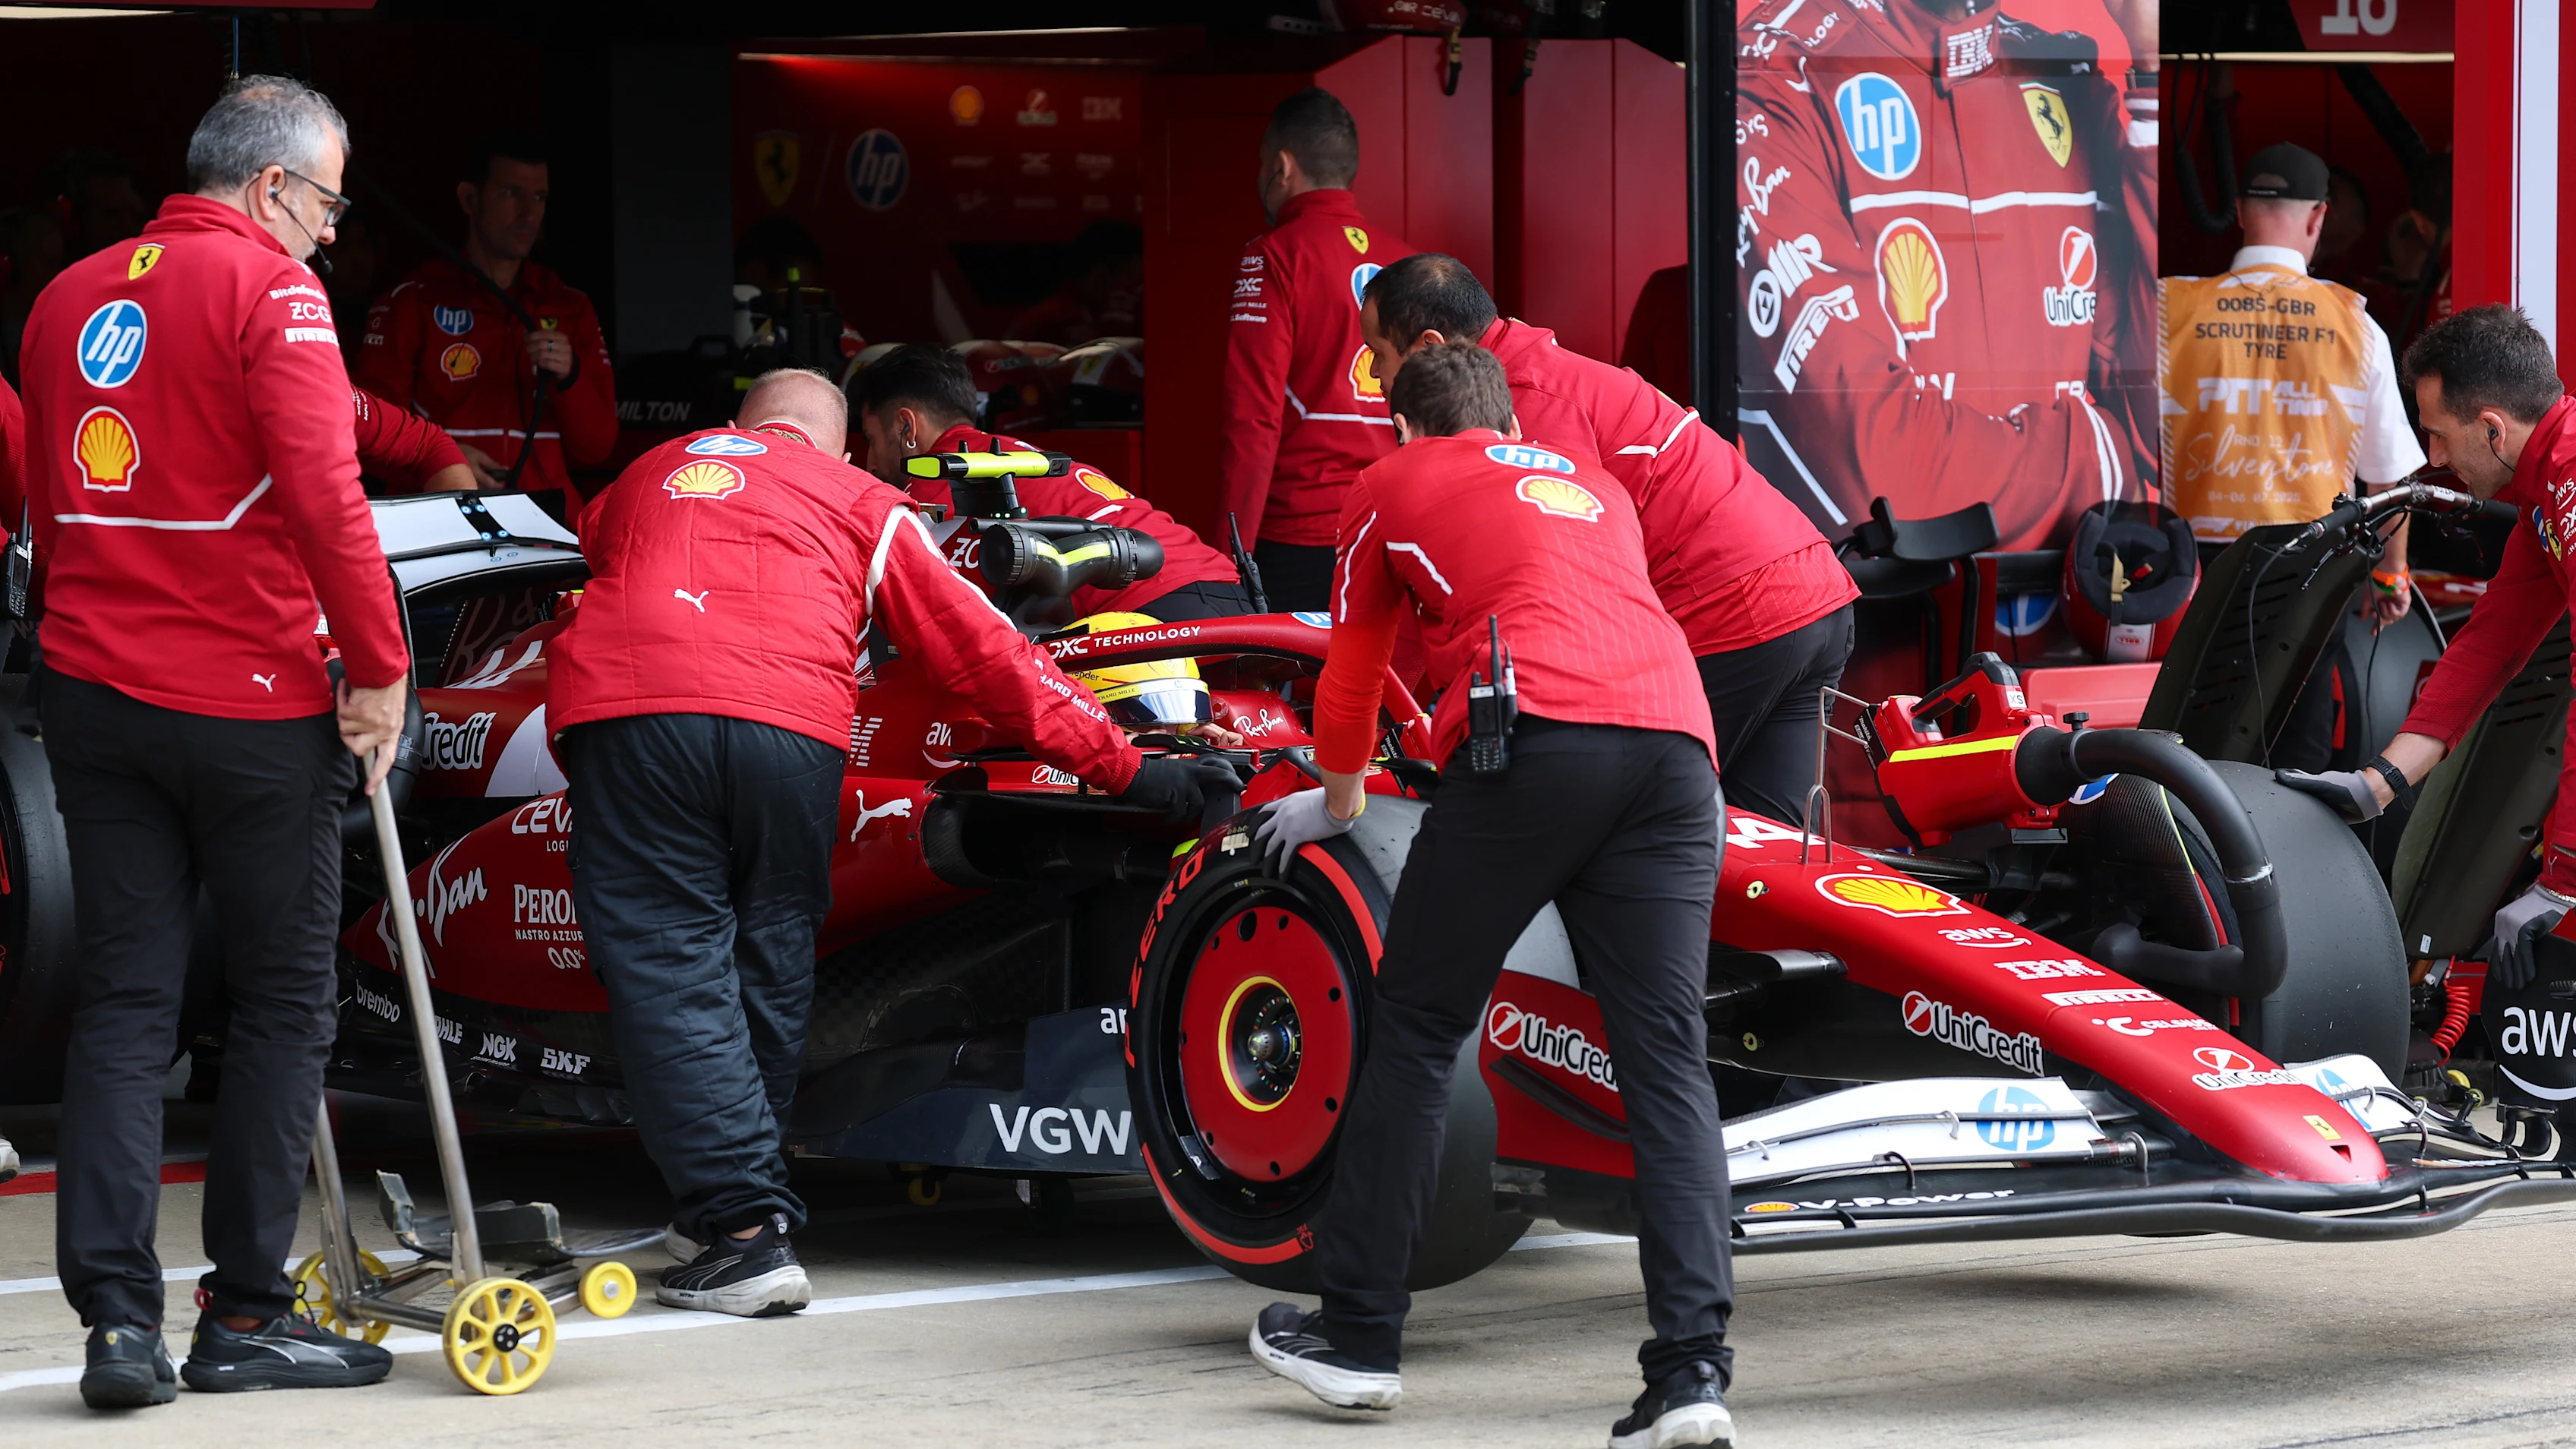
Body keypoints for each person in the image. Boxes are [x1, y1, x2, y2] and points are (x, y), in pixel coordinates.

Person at [546, 368, 1241, 1317]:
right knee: (770, 956)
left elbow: (594, 558)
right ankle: (726, 1210)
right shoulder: (862, 499)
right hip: (794, 733)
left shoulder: (651, 471)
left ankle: (742, 1230)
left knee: (672, 962)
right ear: (837, 447)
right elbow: (989, 655)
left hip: (636, 716)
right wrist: (1129, 770)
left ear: (737, 423)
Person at [1249, 344, 1737, 1447]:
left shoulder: (1389, 480)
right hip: (1676, 750)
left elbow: (1352, 673)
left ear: (1403, 427)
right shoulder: (1594, 484)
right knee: (1667, 1062)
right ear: (1512, 420)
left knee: (1420, 1029)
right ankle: (1691, 1376)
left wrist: (1338, 799)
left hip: (1534, 742)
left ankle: (1358, 1339)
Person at [19, 75, 407, 1407]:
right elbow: (328, 498)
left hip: (93, 690)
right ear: (271, 186)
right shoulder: (275, 292)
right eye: (329, 203)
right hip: (248, 701)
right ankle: (244, 1313)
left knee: (126, 1003)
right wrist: (383, 669)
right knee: (284, 1001)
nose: (332, 233)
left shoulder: (64, 295)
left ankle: (117, 1329)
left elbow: (50, 506)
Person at [1362, 254, 1858, 826]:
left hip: (1729, 611)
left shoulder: (1519, 403)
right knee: (1766, 854)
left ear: (1427, 346)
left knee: (1618, 830)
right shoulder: (1544, 373)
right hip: (1813, 597)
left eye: (1378, 354)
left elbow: (1547, 585)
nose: (1375, 375)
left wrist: (1374, 722)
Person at [1734, 0, 2158, 549]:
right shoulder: (1775, 67)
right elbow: (1891, 489)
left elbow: (2161, 434)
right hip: (1874, 604)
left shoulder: (2062, 72)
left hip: (2066, 602)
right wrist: (2101, 459)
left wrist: (2151, 67)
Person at [2278, 305, 2575, 990]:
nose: (2434, 460)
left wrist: (2563, 880)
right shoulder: (2547, 488)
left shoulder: (2569, 482)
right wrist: (2377, 782)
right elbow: (2488, 646)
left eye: (2438, 436)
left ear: (2493, 429)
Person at [2161, 142, 2429, 771]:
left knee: (2188, 743)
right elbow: (2390, 476)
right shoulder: (2355, 325)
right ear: (2318, 218)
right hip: (2309, 567)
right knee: (2298, 749)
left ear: (2238, 211)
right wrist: (2391, 575)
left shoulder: (2167, 309)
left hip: (2190, 571)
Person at [851, 344, 1253, 621]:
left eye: (871, 438)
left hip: (1150, 613)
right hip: (1236, 598)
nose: (870, 462)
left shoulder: (942, 481)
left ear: (906, 427)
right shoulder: (1026, 459)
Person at [1216, 87, 1417, 611]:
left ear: (1281, 166)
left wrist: (1228, 557)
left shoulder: (1272, 257)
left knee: (1290, 668)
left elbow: (1253, 418)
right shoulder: (1409, 263)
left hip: (1298, 535)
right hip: (1393, 523)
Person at [356, 129, 616, 519]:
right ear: (469, 199)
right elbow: (364, 433)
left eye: (540, 197)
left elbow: (598, 449)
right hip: (444, 517)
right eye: (512, 194)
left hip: (546, 524)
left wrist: (571, 377)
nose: (528, 213)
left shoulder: (570, 307)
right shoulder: (413, 301)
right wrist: (440, 460)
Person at [1009, 219, 1144, 346]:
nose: (1136, 288)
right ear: (1101, 273)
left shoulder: (1111, 318)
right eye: (1130, 276)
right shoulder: (1052, 320)